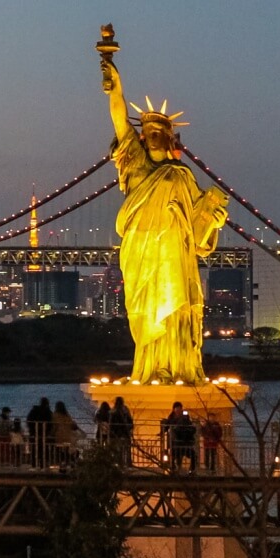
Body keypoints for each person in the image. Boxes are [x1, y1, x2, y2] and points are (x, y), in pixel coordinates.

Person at [98, 26, 229, 384]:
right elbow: (119, 116)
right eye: (149, 130)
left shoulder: (182, 174)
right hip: (141, 247)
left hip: (174, 250)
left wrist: (213, 217)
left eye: (161, 131)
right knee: (144, 308)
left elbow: (197, 227)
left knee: (176, 307)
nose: (154, 134)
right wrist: (113, 75)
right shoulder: (136, 162)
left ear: (170, 138)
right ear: (142, 137)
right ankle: (151, 367)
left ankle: (177, 365)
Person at [166, 402, 196, 473]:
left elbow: (190, 426)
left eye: (180, 408)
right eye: (177, 408)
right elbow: (167, 425)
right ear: (174, 409)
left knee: (193, 456)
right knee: (174, 456)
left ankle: (192, 470)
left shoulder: (185, 418)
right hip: (175, 442)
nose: (178, 410)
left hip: (186, 441)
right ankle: (174, 468)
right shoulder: (171, 418)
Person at [26, 397, 53, 468]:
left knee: (35, 449)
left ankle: (34, 465)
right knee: (44, 450)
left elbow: (28, 420)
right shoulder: (48, 412)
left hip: (34, 433)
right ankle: (43, 465)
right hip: (44, 434)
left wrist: (31, 429)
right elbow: (51, 423)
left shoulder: (34, 410)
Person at [51, 400, 79, 468]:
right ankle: (68, 462)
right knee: (66, 449)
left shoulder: (55, 415)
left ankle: (62, 462)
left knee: (58, 449)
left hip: (59, 435)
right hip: (67, 435)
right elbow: (71, 424)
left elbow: (54, 426)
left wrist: (51, 433)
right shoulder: (67, 415)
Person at [108, 397, 133, 466]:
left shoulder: (112, 411)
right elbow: (130, 421)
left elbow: (111, 424)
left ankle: (120, 463)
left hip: (116, 434)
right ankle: (128, 463)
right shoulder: (125, 410)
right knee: (127, 449)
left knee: (119, 450)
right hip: (125, 433)